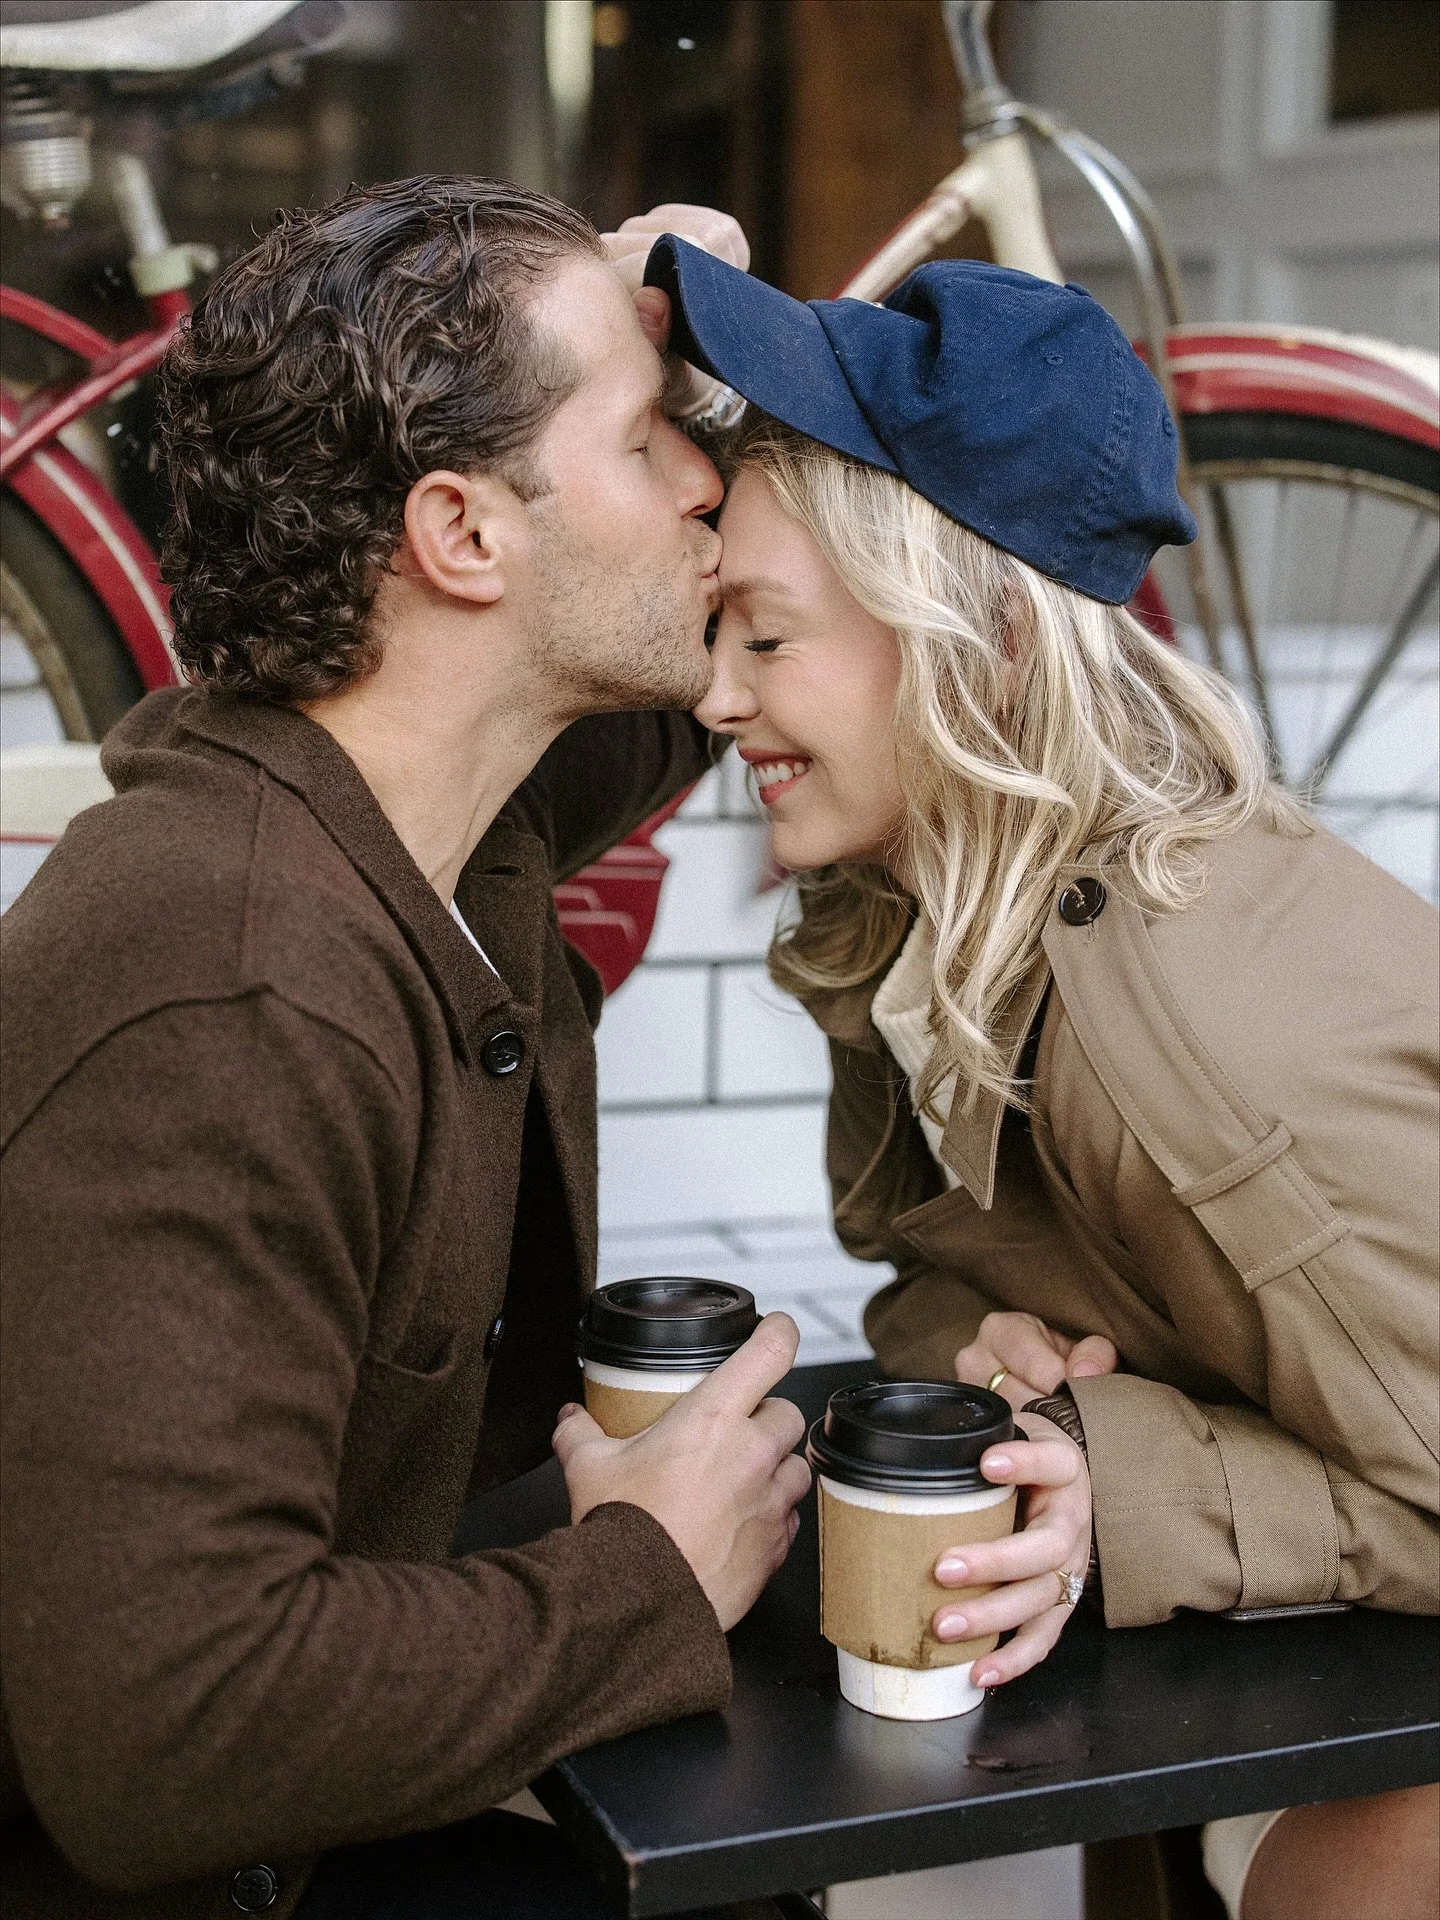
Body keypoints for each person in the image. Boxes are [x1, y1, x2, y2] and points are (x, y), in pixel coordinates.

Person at [0, 181, 814, 1920]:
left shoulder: (437, 813)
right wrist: (647, 1574)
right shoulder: (227, 993)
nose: (704, 487)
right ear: (460, 536)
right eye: (647, 437)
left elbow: (717, 643)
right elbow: (170, 1728)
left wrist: (700, 363)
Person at [643, 234, 1440, 1920]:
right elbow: (938, 1279)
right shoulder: (918, 923)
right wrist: (1010, 1379)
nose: (713, 698)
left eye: (764, 638)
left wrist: (1124, 1483)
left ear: (966, 635)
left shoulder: (1207, 1024)